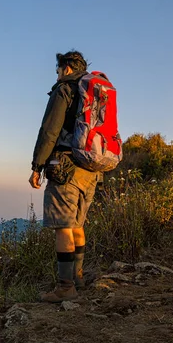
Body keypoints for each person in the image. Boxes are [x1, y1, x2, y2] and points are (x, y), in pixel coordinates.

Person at [29, 51, 102, 303]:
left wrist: (37, 165)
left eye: (58, 70)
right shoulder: (94, 92)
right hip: (91, 168)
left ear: (67, 68)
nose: (57, 74)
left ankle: (65, 286)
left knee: (63, 226)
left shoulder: (65, 89)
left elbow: (50, 130)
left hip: (66, 166)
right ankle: (78, 277)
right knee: (78, 224)